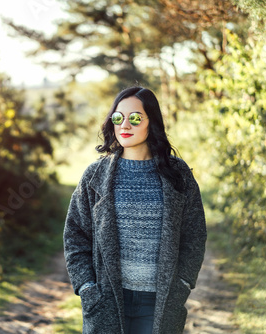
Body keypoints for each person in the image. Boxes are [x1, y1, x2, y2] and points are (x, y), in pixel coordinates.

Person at [63, 86, 207, 334]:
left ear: (152, 122)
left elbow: (194, 235)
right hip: (107, 302)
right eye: (118, 118)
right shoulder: (94, 176)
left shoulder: (177, 175)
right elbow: (75, 235)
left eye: (135, 118)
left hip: (159, 304)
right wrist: (87, 288)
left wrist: (182, 284)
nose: (125, 125)